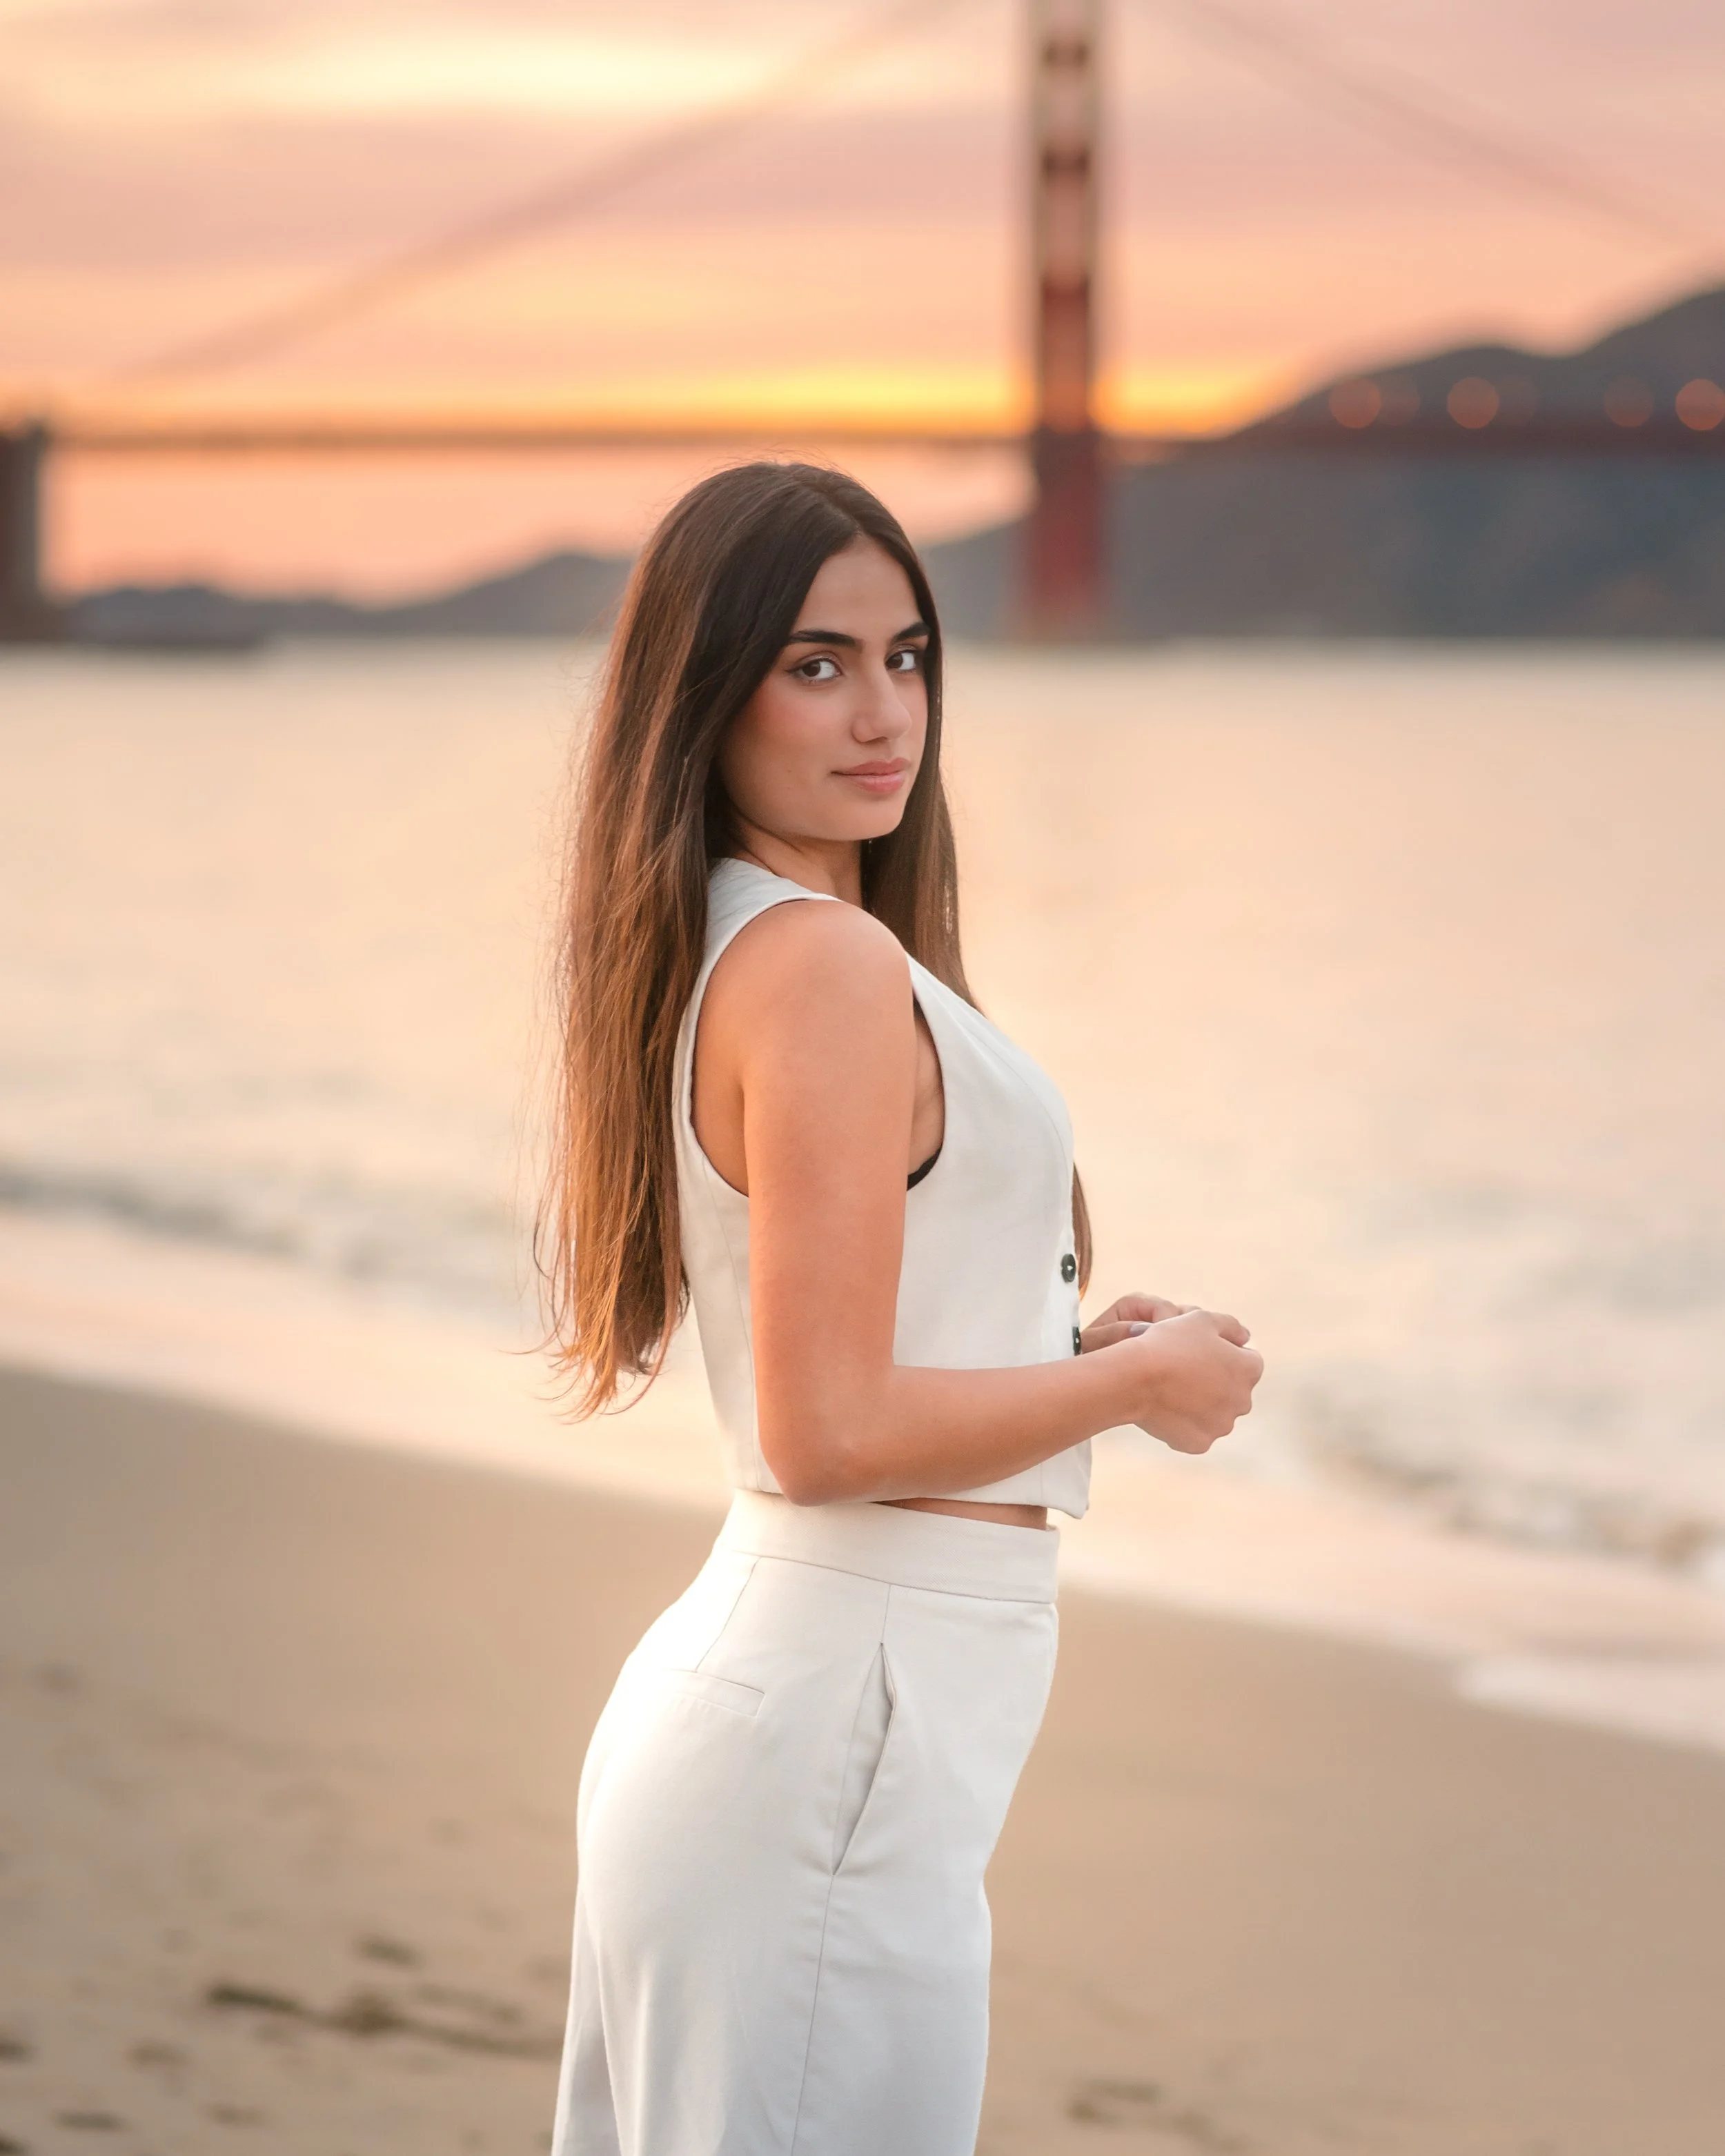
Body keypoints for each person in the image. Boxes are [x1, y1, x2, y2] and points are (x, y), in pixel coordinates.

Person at [541, 461, 1261, 2155]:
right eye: (815, 664)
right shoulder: (820, 964)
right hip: (828, 1737)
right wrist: (1132, 1385)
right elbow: (827, 1429)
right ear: (704, 690)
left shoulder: (755, 944)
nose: (883, 714)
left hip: (807, 1723)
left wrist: (1066, 1355)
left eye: (907, 655)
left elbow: (852, 1355)